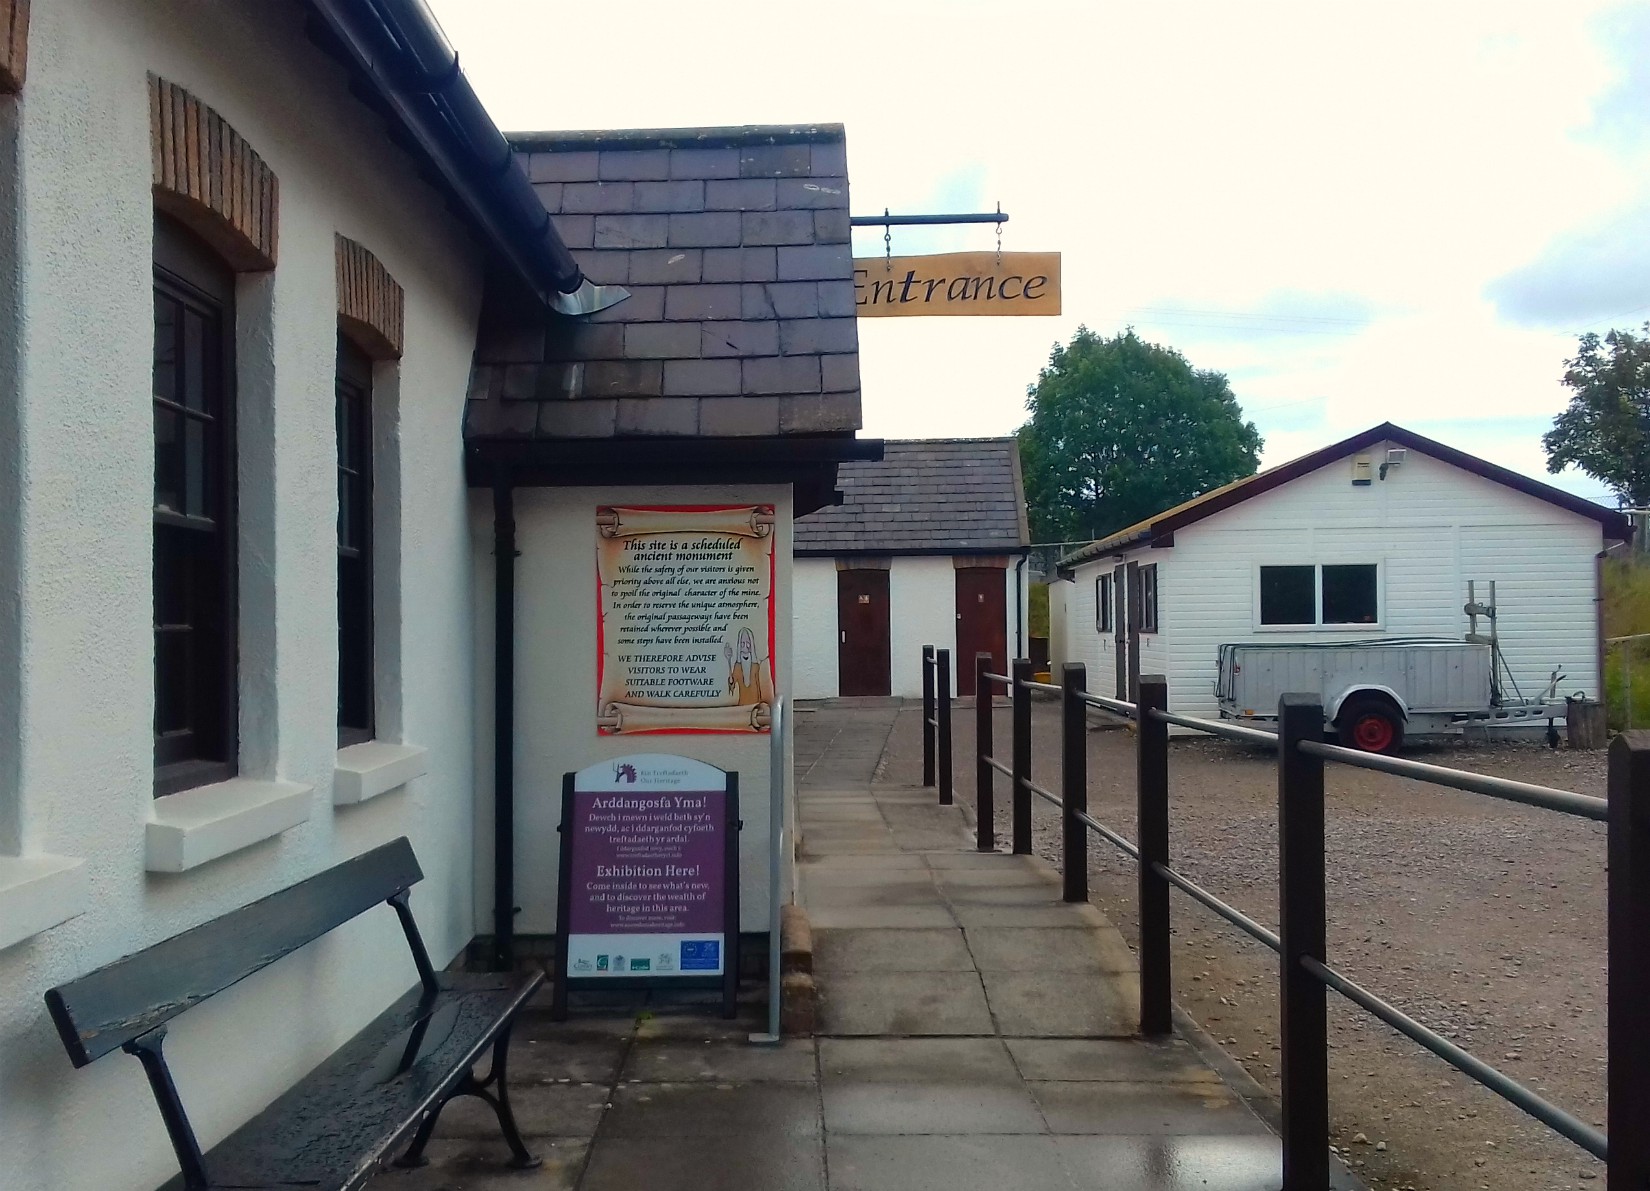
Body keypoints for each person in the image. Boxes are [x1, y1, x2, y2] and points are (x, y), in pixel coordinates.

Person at [723, 626, 772, 706]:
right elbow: (732, 684)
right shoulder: (737, 667)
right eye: (742, 643)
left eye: (747, 643)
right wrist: (729, 660)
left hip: (756, 704)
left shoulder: (756, 666)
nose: (745, 646)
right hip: (743, 704)